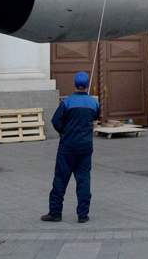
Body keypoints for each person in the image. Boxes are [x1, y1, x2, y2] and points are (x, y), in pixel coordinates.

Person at [42, 71, 99, 224]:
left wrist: (64, 132)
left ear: (74, 84)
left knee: (60, 179)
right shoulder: (94, 103)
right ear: (87, 85)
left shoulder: (67, 102)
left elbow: (55, 121)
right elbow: (96, 117)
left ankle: (55, 213)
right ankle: (83, 215)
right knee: (84, 180)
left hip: (67, 146)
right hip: (85, 147)